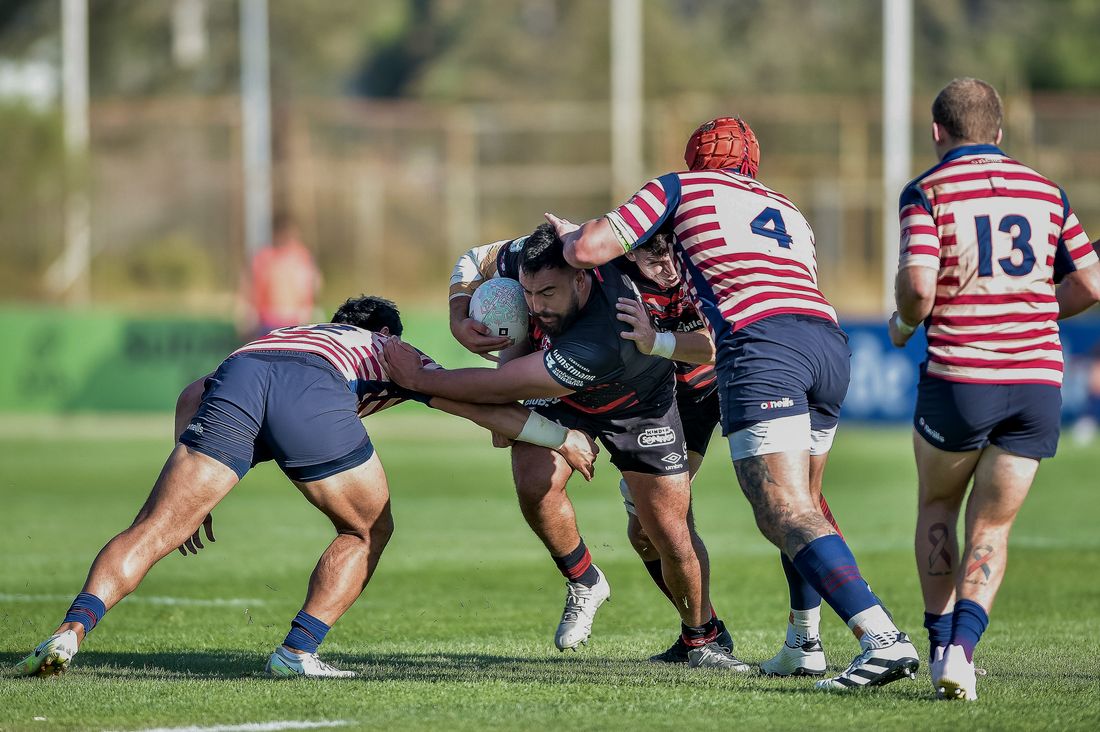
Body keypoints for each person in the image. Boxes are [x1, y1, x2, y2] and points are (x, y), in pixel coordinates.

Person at [15, 296, 598, 679]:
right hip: (312, 391)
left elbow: (193, 392)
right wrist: (560, 437)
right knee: (368, 529)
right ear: (384, 331)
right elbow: (469, 404)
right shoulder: (387, 348)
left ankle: (71, 632)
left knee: (156, 528)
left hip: (241, 377)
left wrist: (193, 482)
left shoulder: (292, 331)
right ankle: (297, 651)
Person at [544, 116, 920, 691]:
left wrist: (572, 238)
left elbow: (594, 247)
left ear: (695, 159)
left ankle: (882, 639)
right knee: (806, 502)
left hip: (760, 347)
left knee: (781, 509)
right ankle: (805, 640)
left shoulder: (681, 188)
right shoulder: (787, 208)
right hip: (827, 341)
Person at [392, 226, 749, 670]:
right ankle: (583, 579)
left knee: (664, 531)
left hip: (639, 402)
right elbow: (473, 261)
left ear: (581, 279)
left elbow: (501, 383)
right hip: (562, 390)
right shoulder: (559, 252)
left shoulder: (610, 325)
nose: (536, 307)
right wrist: (458, 316)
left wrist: (420, 379)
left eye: (548, 294)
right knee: (533, 478)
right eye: (529, 293)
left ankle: (702, 638)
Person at [888, 78, 1100, 701]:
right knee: (993, 529)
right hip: (1036, 381)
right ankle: (964, 654)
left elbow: (920, 288)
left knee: (937, 509)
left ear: (937, 132)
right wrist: (1036, 307)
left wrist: (903, 323)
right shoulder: (1047, 191)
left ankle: (936, 645)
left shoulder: (926, 191)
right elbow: (1089, 283)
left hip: (962, 378)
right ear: (1000, 132)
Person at [241, 213, 323, 339]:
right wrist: (249, 314)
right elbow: (251, 287)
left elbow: (313, 284)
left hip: (295, 321)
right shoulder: (264, 257)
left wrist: (310, 310)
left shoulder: (302, 256)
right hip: (268, 320)